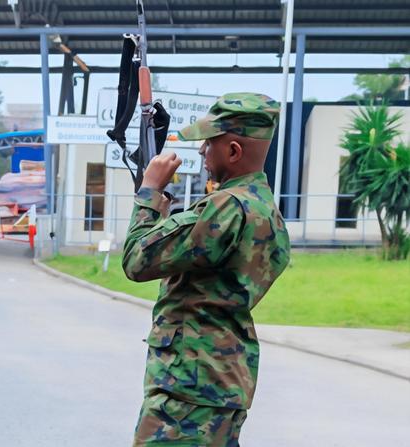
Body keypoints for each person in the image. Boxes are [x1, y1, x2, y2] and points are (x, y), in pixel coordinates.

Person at [122, 93, 292, 446]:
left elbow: (137, 260)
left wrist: (150, 191)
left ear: (233, 151)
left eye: (208, 142)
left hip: (188, 391)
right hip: (222, 380)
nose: (201, 151)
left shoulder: (224, 209)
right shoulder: (265, 211)